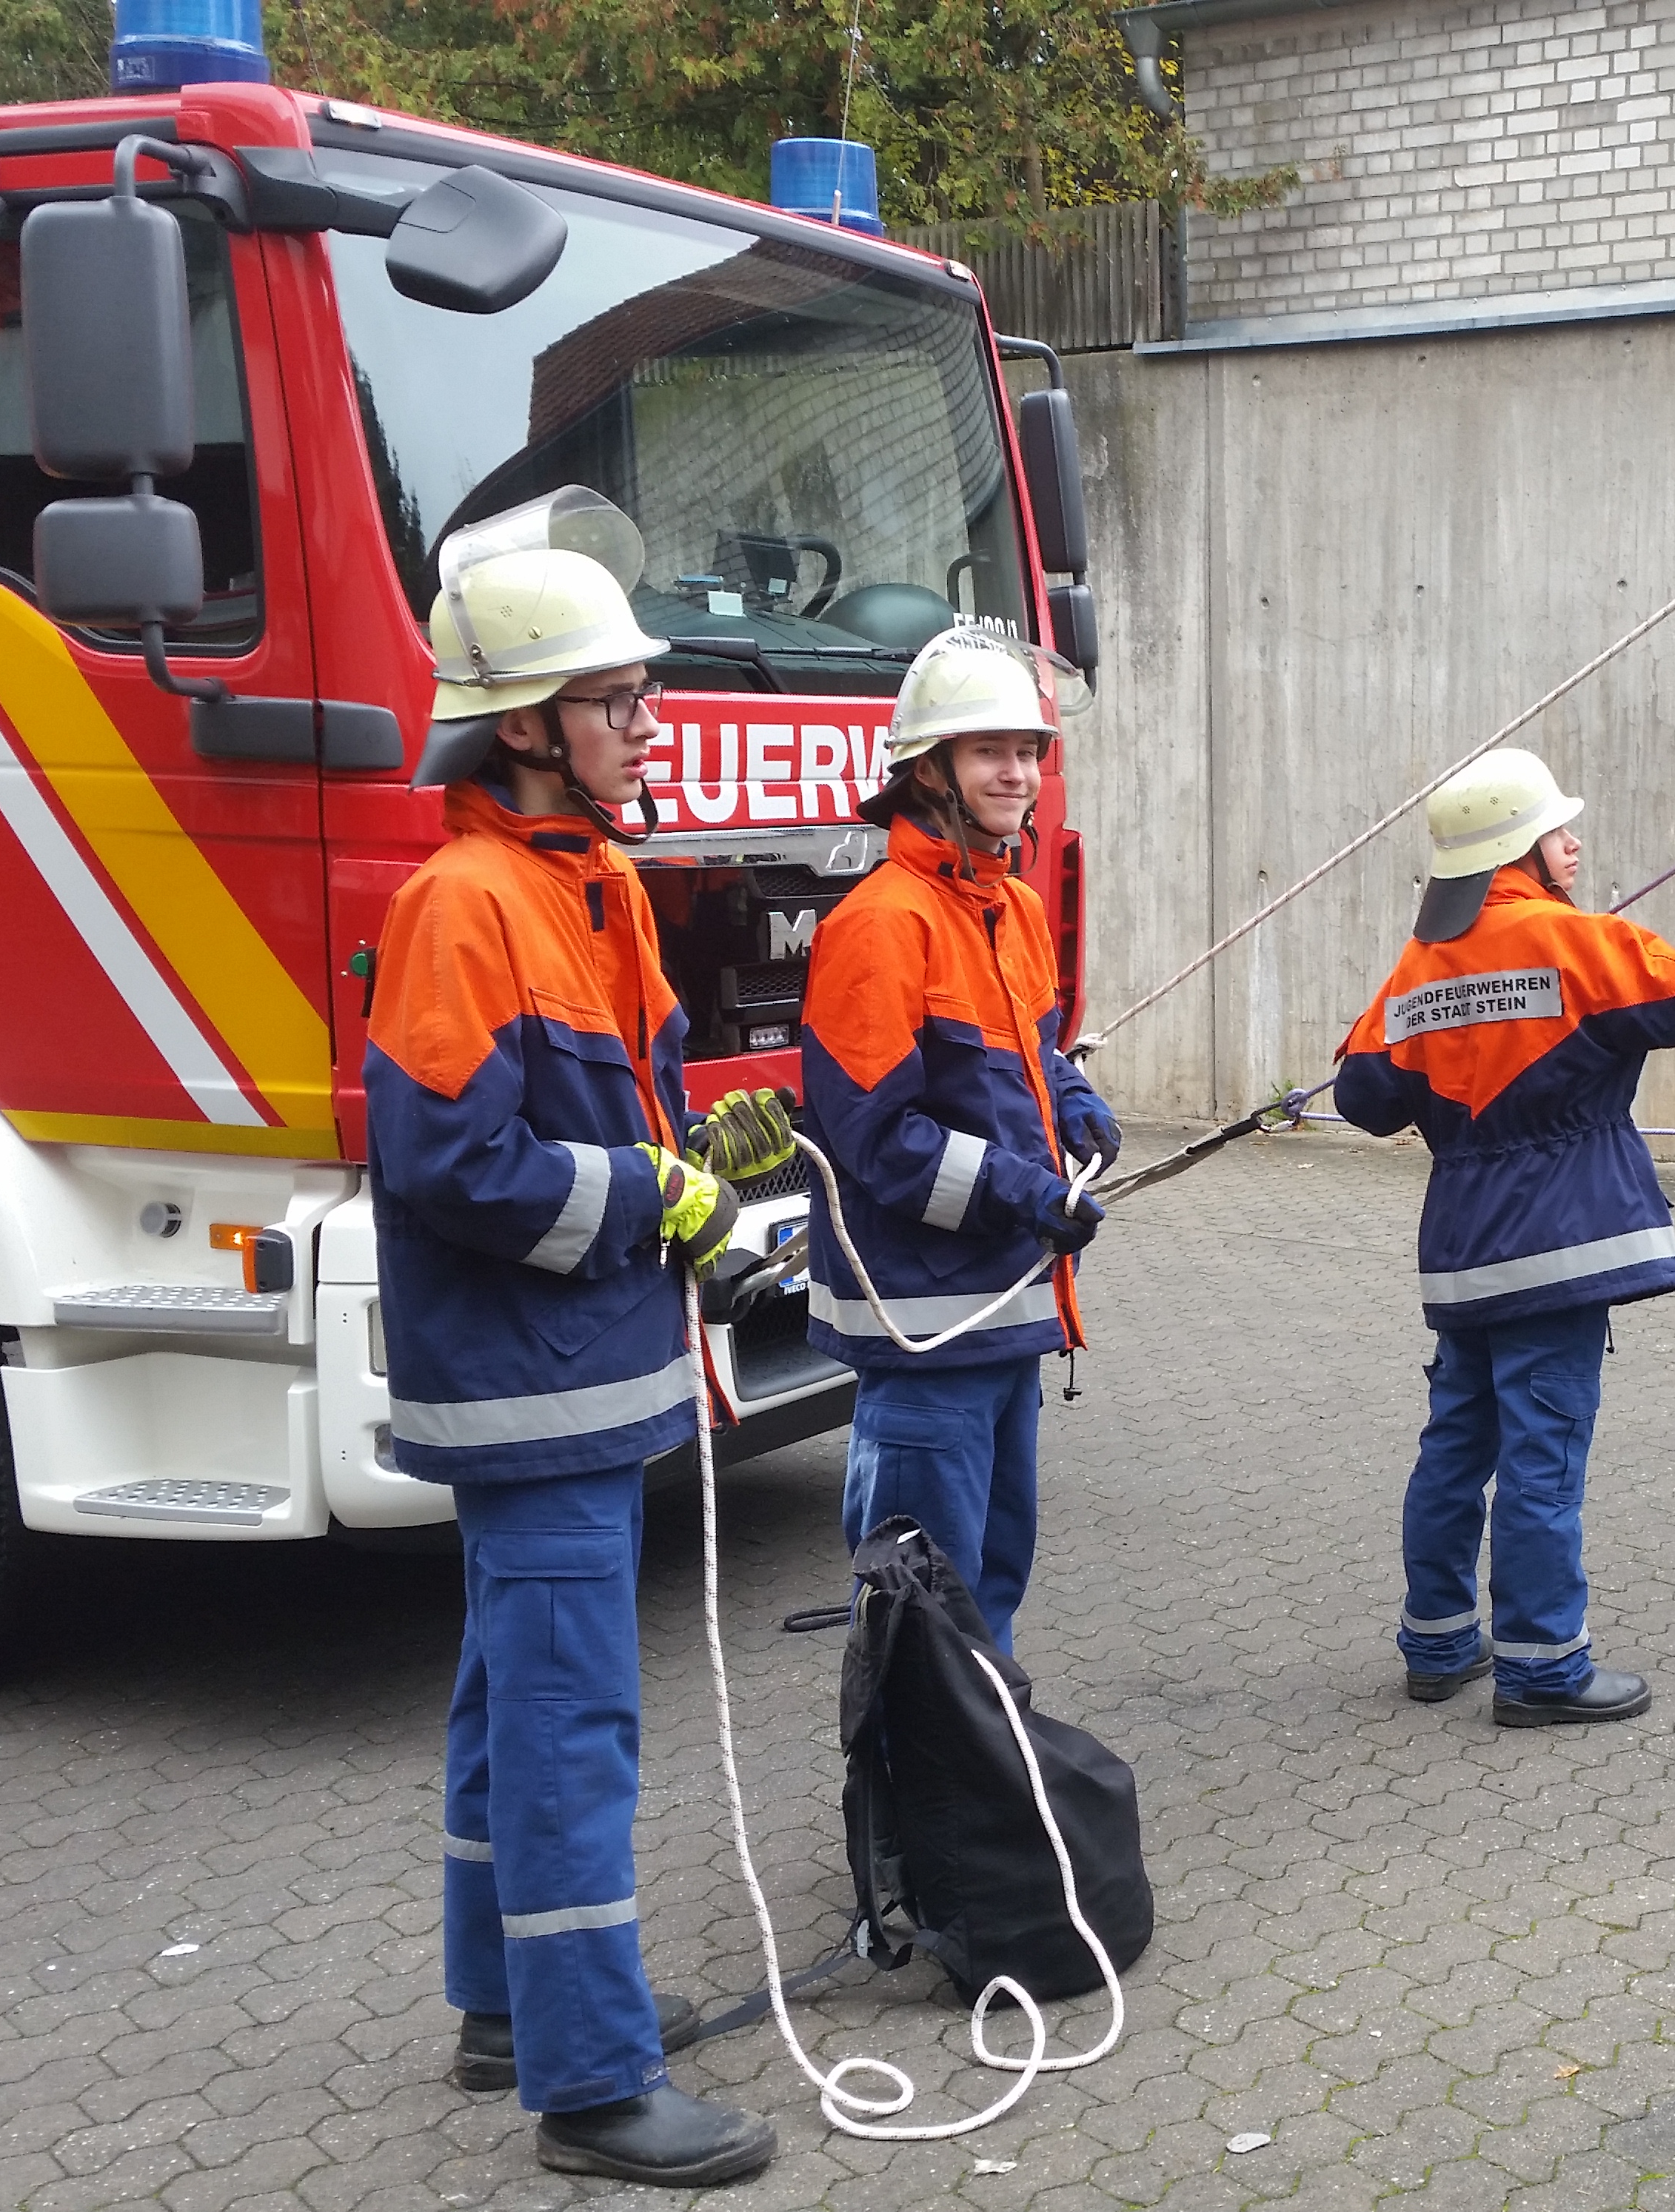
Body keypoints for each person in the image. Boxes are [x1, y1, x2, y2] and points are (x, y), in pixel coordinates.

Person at [365, 489, 783, 2188]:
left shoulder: (582, 878)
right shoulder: (465, 901)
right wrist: (650, 1196)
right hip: (530, 1393)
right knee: (568, 1727)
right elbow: (453, 1161)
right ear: (526, 725)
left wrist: (706, 1165)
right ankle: (590, 2079)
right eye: (616, 699)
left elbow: (617, 1112)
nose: (643, 721)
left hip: (576, 1377)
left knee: (502, 1705)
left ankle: (502, 2004)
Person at [1335, 751, 1675, 1726]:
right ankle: (1542, 1668)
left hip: (1462, 1253)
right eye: (1560, 830)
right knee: (1542, 1462)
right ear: (1521, 849)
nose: (1576, 843)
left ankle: (1438, 1645)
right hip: (1563, 1251)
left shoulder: (1421, 961)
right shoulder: (1579, 942)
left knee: (1454, 1448)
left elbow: (1362, 1094)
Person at [798, 624, 1118, 1653]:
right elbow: (876, 1140)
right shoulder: (880, 924)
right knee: (921, 1601)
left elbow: (1027, 1049)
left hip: (1003, 1310)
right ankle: (918, 1804)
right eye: (990, 752)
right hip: (925, 1330)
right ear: (927, 770)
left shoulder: (1011, 906)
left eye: (1029, 751)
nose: (1019, 773)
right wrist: (1026, 1195)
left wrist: (1072, 1100)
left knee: (990, 1581)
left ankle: (983, 1780)